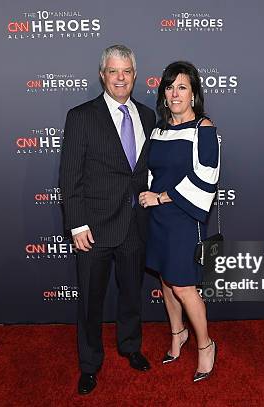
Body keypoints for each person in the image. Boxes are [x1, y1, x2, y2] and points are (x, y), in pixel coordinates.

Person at [59, 44, 156, 395]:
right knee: (90, 300)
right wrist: (76, 223)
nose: (120, 78)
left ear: (134, 75)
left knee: (132, 294)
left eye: (126, 71)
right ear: (102, 75)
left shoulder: (147, 116)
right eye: (113, 71)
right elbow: (69, 176)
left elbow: (146, 170)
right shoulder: (81, 116)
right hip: (94, 228)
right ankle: (89, 364)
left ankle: (131, 346)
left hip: (134, 225)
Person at [138, 61, 220, 382]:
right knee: (165, 280)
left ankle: (205, 345)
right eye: (169, 87)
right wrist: (146, 197)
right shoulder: (159, 129)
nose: (175, 93)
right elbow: (150, 172)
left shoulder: (204, 127)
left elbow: (206, 176)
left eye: (182, 87)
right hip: (157, 219)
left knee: (184, 286)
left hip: (185, 216)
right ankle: (177, 334)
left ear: (194, 94)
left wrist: (160, 197)